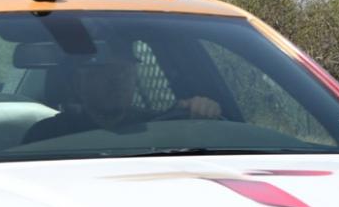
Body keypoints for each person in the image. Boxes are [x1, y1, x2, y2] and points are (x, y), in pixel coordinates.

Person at [24, 46, 222, 143]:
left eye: (125, 72)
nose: (117, 81)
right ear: (79, 83)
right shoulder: (47, 136)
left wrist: (203, 114)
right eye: (105, 72)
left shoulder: (159, 125)